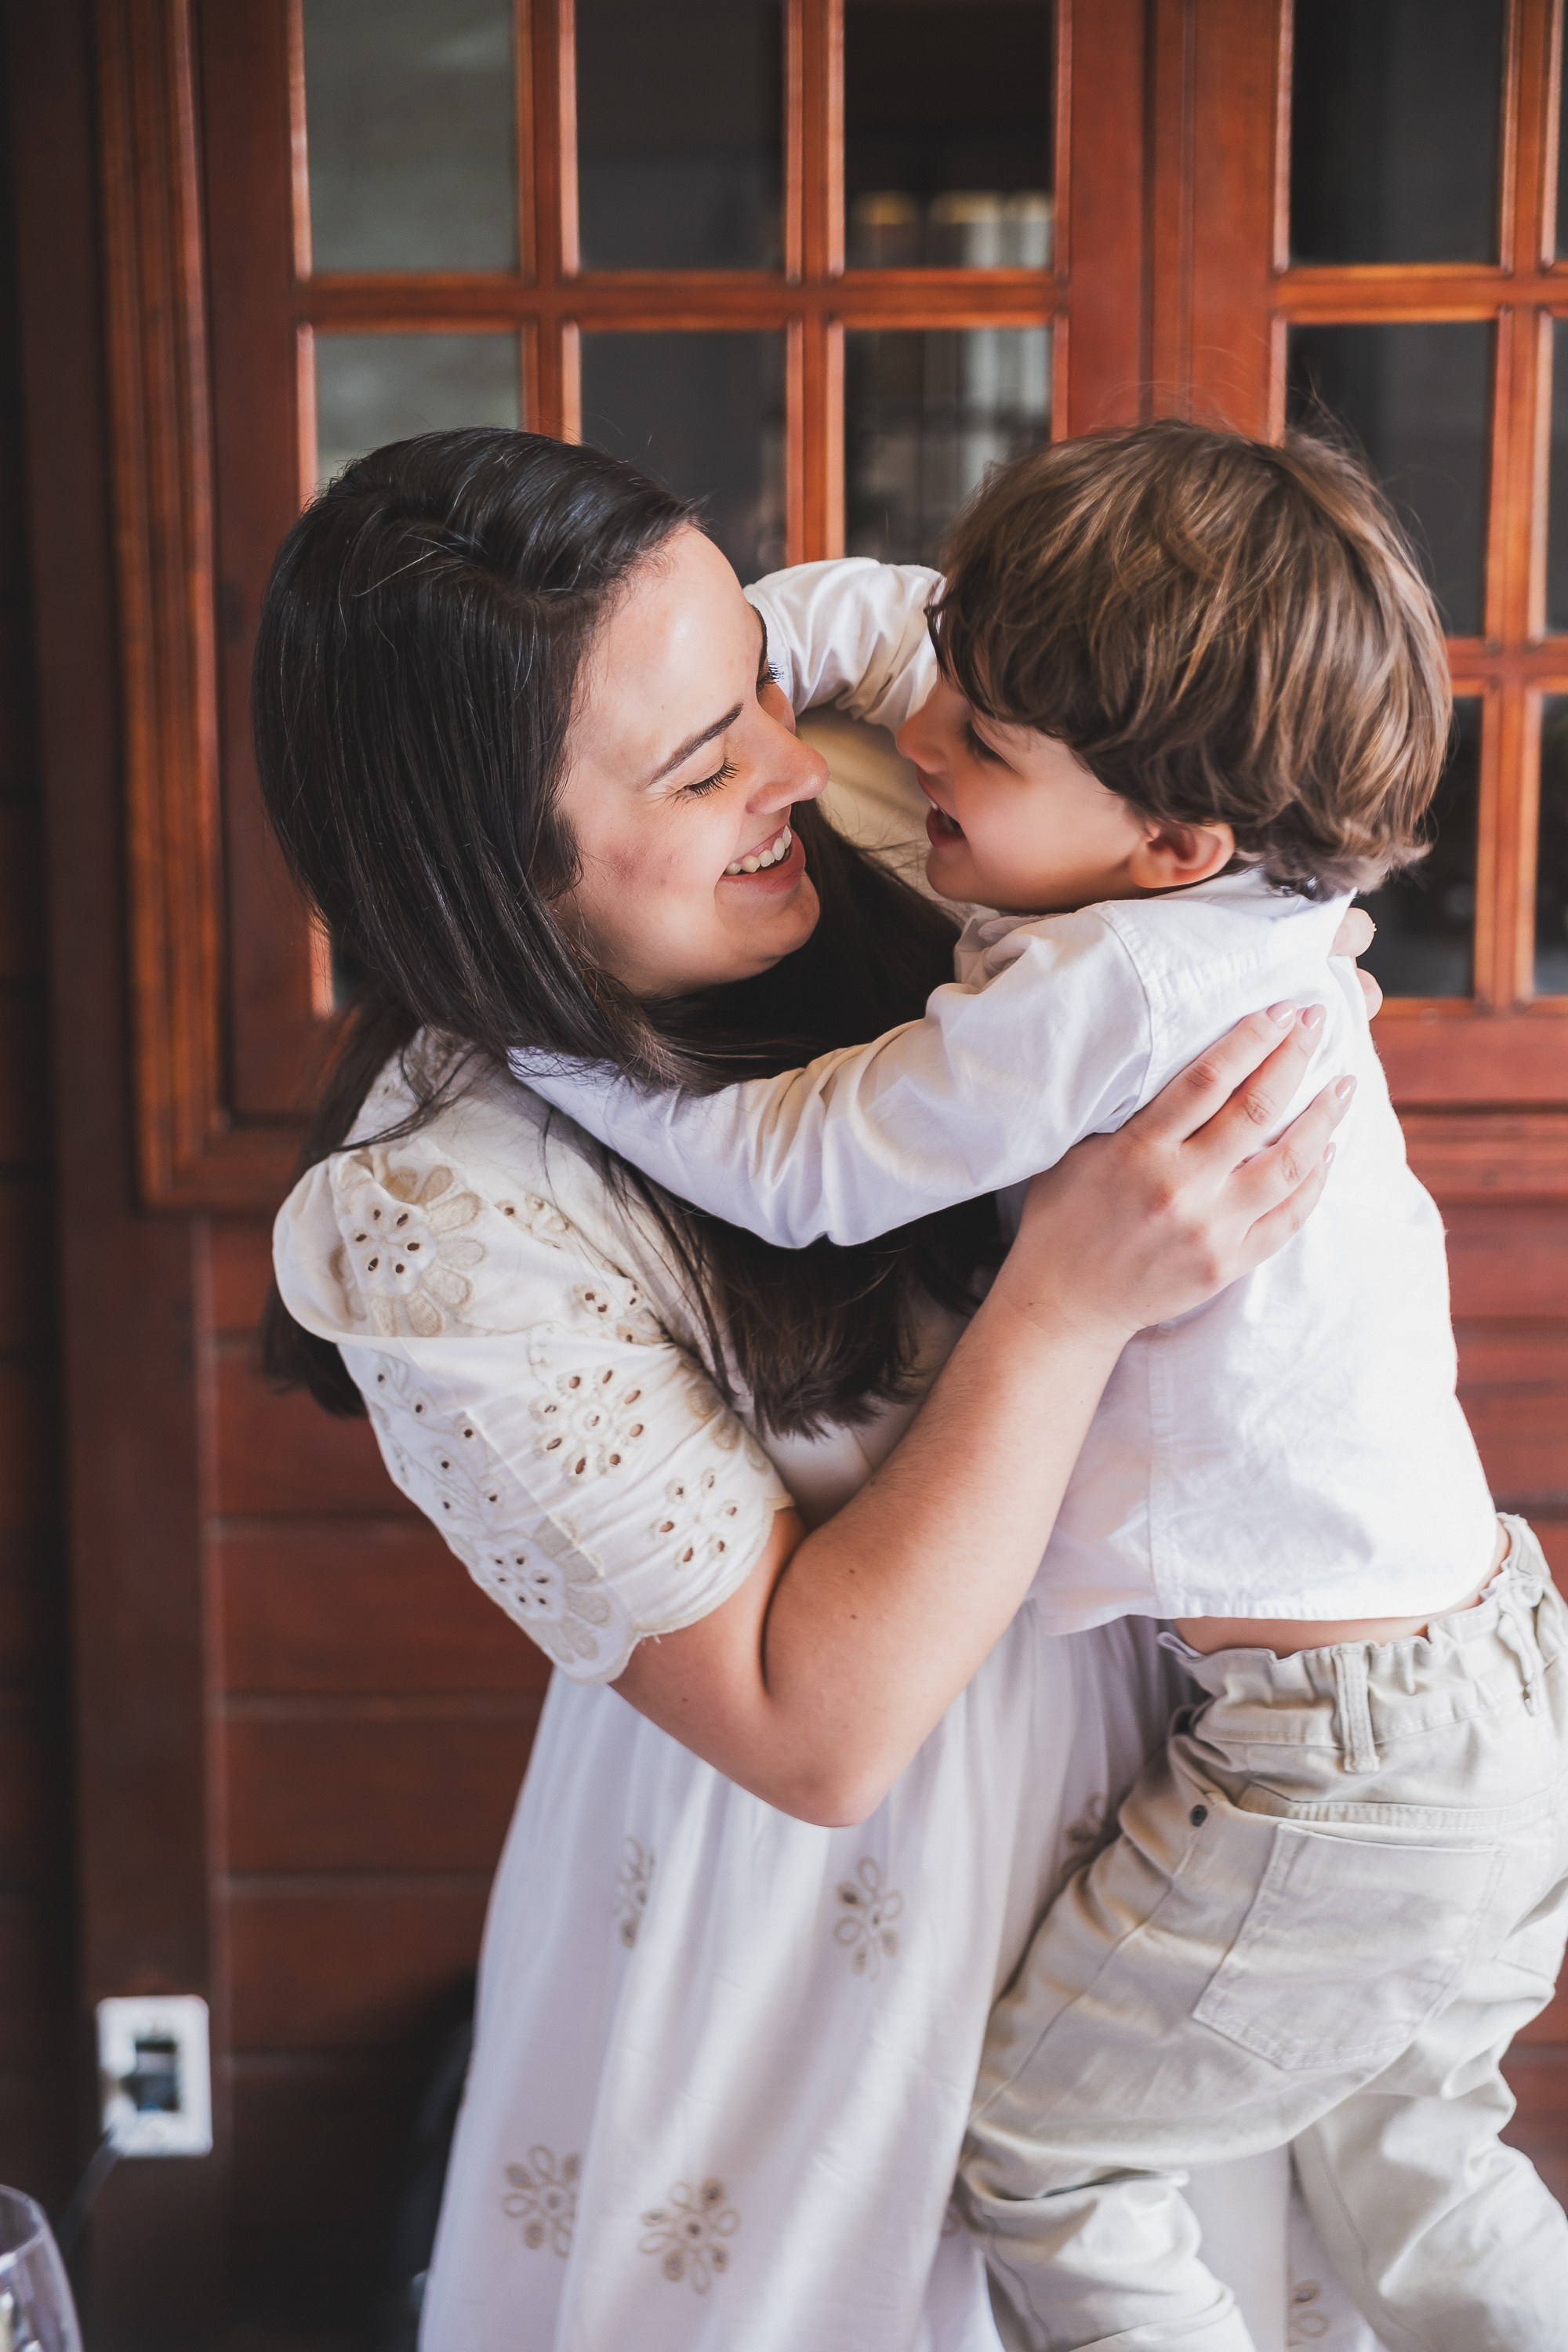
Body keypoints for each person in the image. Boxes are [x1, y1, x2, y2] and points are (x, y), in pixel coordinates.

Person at [261, 426, 1364, 2352]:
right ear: (490, 865)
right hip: (817, 1925)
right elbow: (810, 1726)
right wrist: (1065, 1302)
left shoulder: (882, 807)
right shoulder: (436, 1215)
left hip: (1174, 1828)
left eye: (756, 680)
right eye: (701, 763)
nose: (791, 755)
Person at [520, 421, 1568, 2351]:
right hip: (1480, 1676)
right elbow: (894, 625)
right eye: (959, 701)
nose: (920, 741)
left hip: (1325, 1755)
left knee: (1050, 2170)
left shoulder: (1112, 998)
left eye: (982, 753)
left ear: (1167, 847)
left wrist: (555, 1055)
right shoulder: (1184, 817)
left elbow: (804, 1169)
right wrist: (676, 683)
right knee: (1415, 2169)